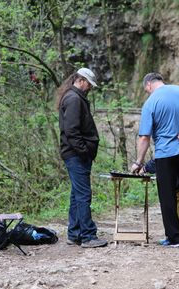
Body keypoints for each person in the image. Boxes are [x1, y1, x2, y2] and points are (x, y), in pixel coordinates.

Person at [131, 72, 179, 247]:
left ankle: (174, 238)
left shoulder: (150, 102)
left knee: (167, 197)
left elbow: (144, 137)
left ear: (149, 84)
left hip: (165, 155)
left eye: (146, 89)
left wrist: (138, 162)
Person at [55, 67, 107, 248]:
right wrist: (84, 151)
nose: (90, 88)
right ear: (82, 81)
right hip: (76, 155)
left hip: (75, 154)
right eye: (89, 85)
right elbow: (71, 131)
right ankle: (88, 236)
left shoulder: (73, 97)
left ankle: (74, 233)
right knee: (84, 195)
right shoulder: (74, 99)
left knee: (76, 195)